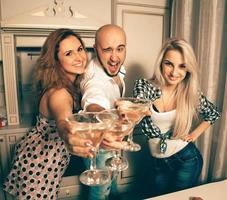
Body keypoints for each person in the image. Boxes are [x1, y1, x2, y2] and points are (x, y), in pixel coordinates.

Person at [3, 28, 94, 199]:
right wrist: (68, 132)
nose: (79, 57)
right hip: (40, 164)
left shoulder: (68, 84)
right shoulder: (60, 92)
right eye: (68, 53)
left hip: (42, 159)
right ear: (56, 60)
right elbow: (63, 121)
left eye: (79, 49)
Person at [133, 38, 221, 195]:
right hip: (157, 161)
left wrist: (194, 134)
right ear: (161, 63)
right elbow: (138, 105)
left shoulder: (190, 92)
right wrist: (138, 110)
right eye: (169, 64)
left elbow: (212, 113)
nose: (174, 72)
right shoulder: (145, 86)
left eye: (182, 66)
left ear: (188, 69)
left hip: (186, 159)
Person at [80, 24, 127, 200]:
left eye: (120, 49)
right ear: (95, 49)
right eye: (107, 50)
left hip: (112, 141)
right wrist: (102, 117)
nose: (115, 57)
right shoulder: (93, 76)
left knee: (112, 185)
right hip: (99, 145)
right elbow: (93, 102)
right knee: (99, 193)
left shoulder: (119, 68)